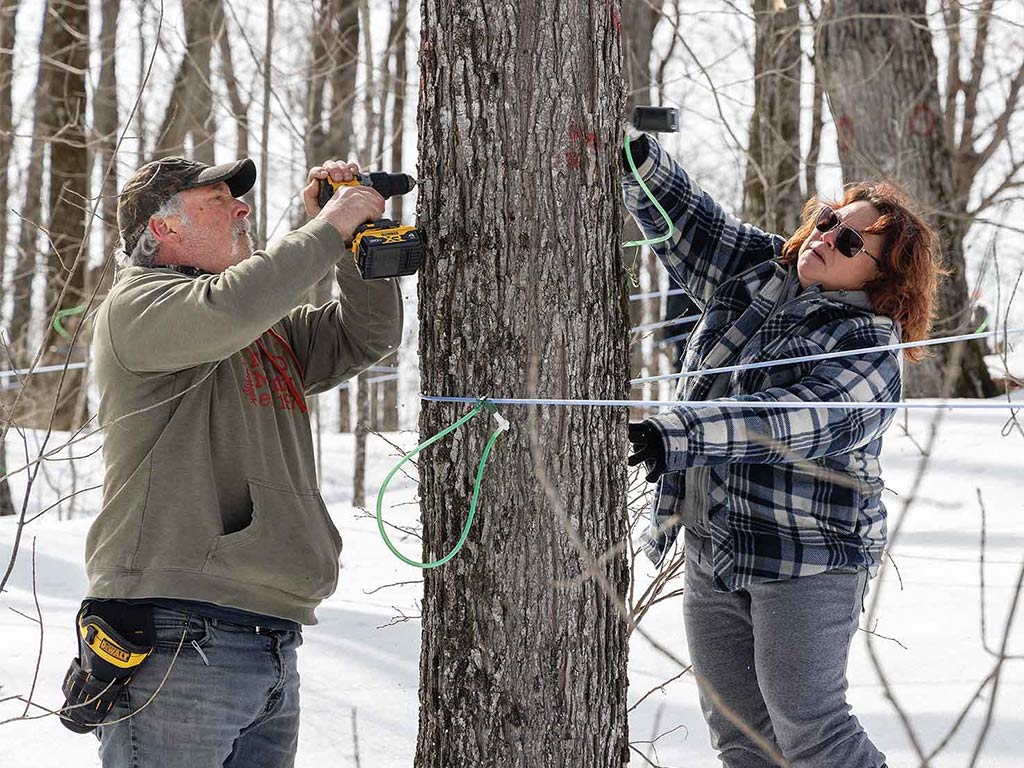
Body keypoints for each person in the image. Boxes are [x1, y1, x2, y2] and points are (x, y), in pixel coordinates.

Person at [622, 131, 941, 768]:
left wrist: (675, 436)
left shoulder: (869, 349)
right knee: (742, 740)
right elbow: (686, 217)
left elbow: (789, 424)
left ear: (883, 280)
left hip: (806, 562)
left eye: (850, 242)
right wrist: (631, 150)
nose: (825, 238)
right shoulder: (757, 271)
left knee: (812, 732)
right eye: (828, 222)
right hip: (714, 551)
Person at [82, 155, 403, 766]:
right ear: (164, 228)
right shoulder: (138, 307)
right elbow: (230, 307)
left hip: (270, 634)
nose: (242, 208)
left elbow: (366, 336)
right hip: (177, 631)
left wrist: (355, 244)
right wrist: (328, 225)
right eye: (217, 201)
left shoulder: (261, 326)